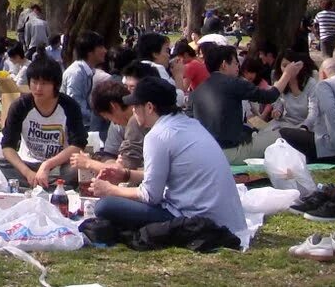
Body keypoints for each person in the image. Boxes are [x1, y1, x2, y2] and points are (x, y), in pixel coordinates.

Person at [87, 76, 248, 240]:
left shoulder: (157, 135)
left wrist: (110, 190)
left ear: (149, 107)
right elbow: (165, 176)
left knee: (104, 206)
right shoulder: (190, 124)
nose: (133, 111)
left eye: (136, 106)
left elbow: (150, 195)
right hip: (227, 220)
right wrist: (126, 174)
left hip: (196, 220)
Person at [189, 43, 303, 163]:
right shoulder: (233, 83)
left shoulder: (198, 90)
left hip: (207, 153)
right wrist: (287, 74)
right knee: (284, 136)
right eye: (234, 62)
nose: (238, 66)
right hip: (231, 152)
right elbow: (269, 96)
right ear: (224, 65)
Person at [0, 56, 87, 187]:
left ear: (55, 85)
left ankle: (49, 184)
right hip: (27, 163)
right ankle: (39, 183)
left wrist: (47, 165)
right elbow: (7, 146)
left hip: (58, 165)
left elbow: (78, 145)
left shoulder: (69, 106)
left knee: (76, 170)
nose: (38, 88)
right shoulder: (20, 106)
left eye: (45, 83)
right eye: (34, 82)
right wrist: (27, 172)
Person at [60, 31, 107, 133]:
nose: (105, 51)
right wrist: (98, 117)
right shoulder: (76, 74)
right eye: (101, 47)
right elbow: (74, 106)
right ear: (90, 52)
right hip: (71, 127)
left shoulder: (88, 71)